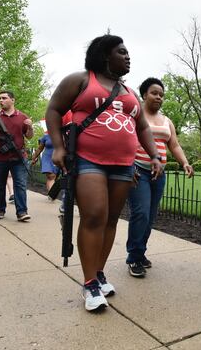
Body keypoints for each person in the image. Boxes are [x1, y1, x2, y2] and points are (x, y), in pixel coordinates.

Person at [46, 34, 162, 312]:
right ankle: (88, 284)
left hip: (123, 163)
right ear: (104, 55)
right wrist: (58, 147)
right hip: (88, 160)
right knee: (95, 215)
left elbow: (142, 128)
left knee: (111, 219)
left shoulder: (130, 92)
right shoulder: (81, 80)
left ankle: (98, 273)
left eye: (128, 52)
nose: (128, 56)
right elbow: (53, 110)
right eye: (121, 52)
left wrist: (155, 156)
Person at [125, 77, 194, 278]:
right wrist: (129, 168)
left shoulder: (166, 121)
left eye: (162, 95)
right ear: (144, 94)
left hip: (159, 173)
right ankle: (133, 258)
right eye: (154, 93)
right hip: (138, 171)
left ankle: (140, 252)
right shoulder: (135, 117)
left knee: (150, 216)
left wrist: (185, 162)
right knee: (141, 213)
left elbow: (174, 145)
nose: (159, 97)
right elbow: (125, 142)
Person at [0, 90, 34, 222]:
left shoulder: (22, 117)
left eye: (4, 98)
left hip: (18, 157)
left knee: (20, 185)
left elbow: (29, 136)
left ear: (12, 100)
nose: (1, 100)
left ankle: (22, 212)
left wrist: (30, 127)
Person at [31, 131, 60, 197]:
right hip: (47, 158)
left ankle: (50, 194)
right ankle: (52, 195)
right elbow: (39, 148)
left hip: (58, 158)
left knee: (54, 177)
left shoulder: (62, 135)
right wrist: (34, 158)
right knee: (51, 176)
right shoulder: (46, 136)